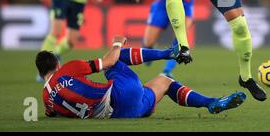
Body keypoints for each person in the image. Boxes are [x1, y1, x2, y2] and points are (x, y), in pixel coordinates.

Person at [35, 36, 246, 118]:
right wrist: (117, 43)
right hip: (120, 96)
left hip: (120, 114)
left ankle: (212, 103)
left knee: (164, 82)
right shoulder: (68, 68)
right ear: (57, 64)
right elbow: (107, 62)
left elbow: (51, 113)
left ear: (40, 74)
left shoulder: (46, 101)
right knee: (114, 59)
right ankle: (168, 53)